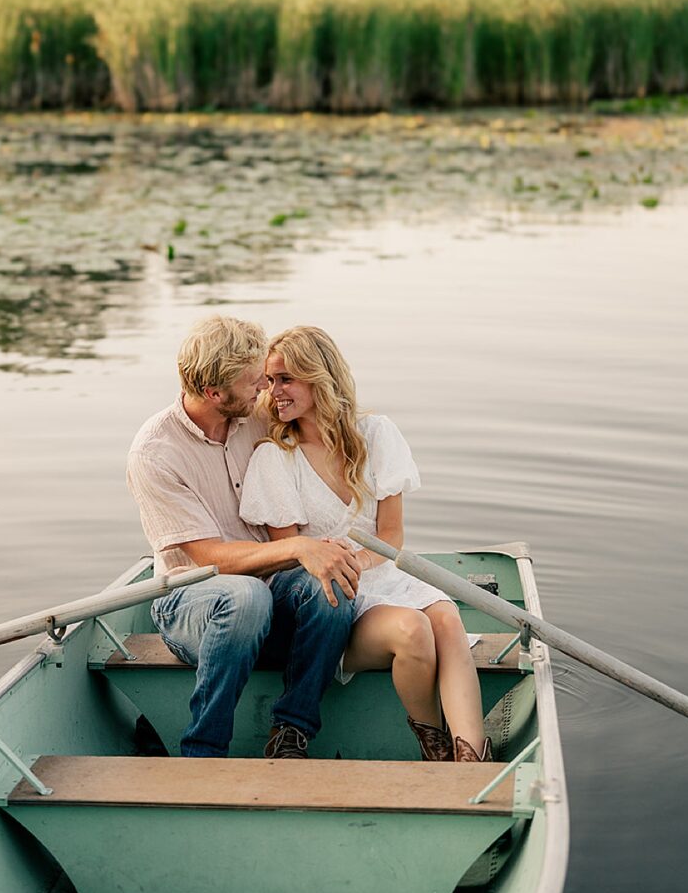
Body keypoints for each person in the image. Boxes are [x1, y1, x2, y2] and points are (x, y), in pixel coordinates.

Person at [239, 327, 489, 763]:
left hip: (382, 575)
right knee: (414, 630)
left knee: (446, 618)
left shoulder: (376, 434)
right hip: (332, 604)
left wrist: (358, 558)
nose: (272, 392)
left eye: (285, 379)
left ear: (319, 377)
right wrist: (342, 568)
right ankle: (433, 743)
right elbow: (290, 557)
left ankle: (471, 760)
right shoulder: (274, 458)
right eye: (270, 380)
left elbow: (391, 535)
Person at [125, 314, 366, 759]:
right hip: (189, 600)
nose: (266, 390)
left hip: (270, 586)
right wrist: (296, 546)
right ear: (216, 393)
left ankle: (291, 731)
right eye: (256, 382)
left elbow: (323, 420)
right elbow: (208, 558)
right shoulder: (155, 454)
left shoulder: (254, 415)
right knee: (243, 597)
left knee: (331, 583)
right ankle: (204, 749)